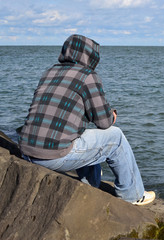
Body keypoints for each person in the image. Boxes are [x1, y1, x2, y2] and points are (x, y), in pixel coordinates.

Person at [18, 34, 155, 205]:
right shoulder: (87, 75)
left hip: (26, 151)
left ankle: (89, 187)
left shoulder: (50, 72)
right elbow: (103, 122)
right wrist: (112, 115)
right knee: (116, 137)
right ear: (91, 56)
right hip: (52, 157)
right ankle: (133, 195)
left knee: (84, 135)